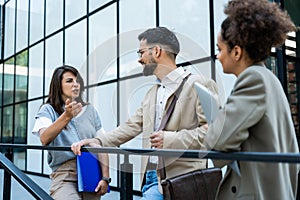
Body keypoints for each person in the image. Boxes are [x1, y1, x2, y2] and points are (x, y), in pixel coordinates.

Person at [72, 27, 219, 199]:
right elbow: (130, 127)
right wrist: (97, 141)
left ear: (156, 51)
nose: (139, 59)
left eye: (141, 52)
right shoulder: (152, 94)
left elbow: (213, 132)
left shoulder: (199, 84)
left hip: (183, 181)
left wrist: (169, 139)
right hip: (151, 179)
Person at [204, 0, 299, 199]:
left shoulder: (252, 79)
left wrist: (215, 126)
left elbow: (217, 144)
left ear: (236, 52)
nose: (218, 56)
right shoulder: (268, 78)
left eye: (220, 49)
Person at [32, 65, 110, 200]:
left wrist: (105, 178)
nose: (76, 85)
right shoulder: (48, 109)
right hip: (64, 174)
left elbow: (102, 144)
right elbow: (44, 138)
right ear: (58, 85)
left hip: (90, 171)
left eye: (77, 81)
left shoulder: (90, 110)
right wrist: (66, 116)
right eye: (69, 81)